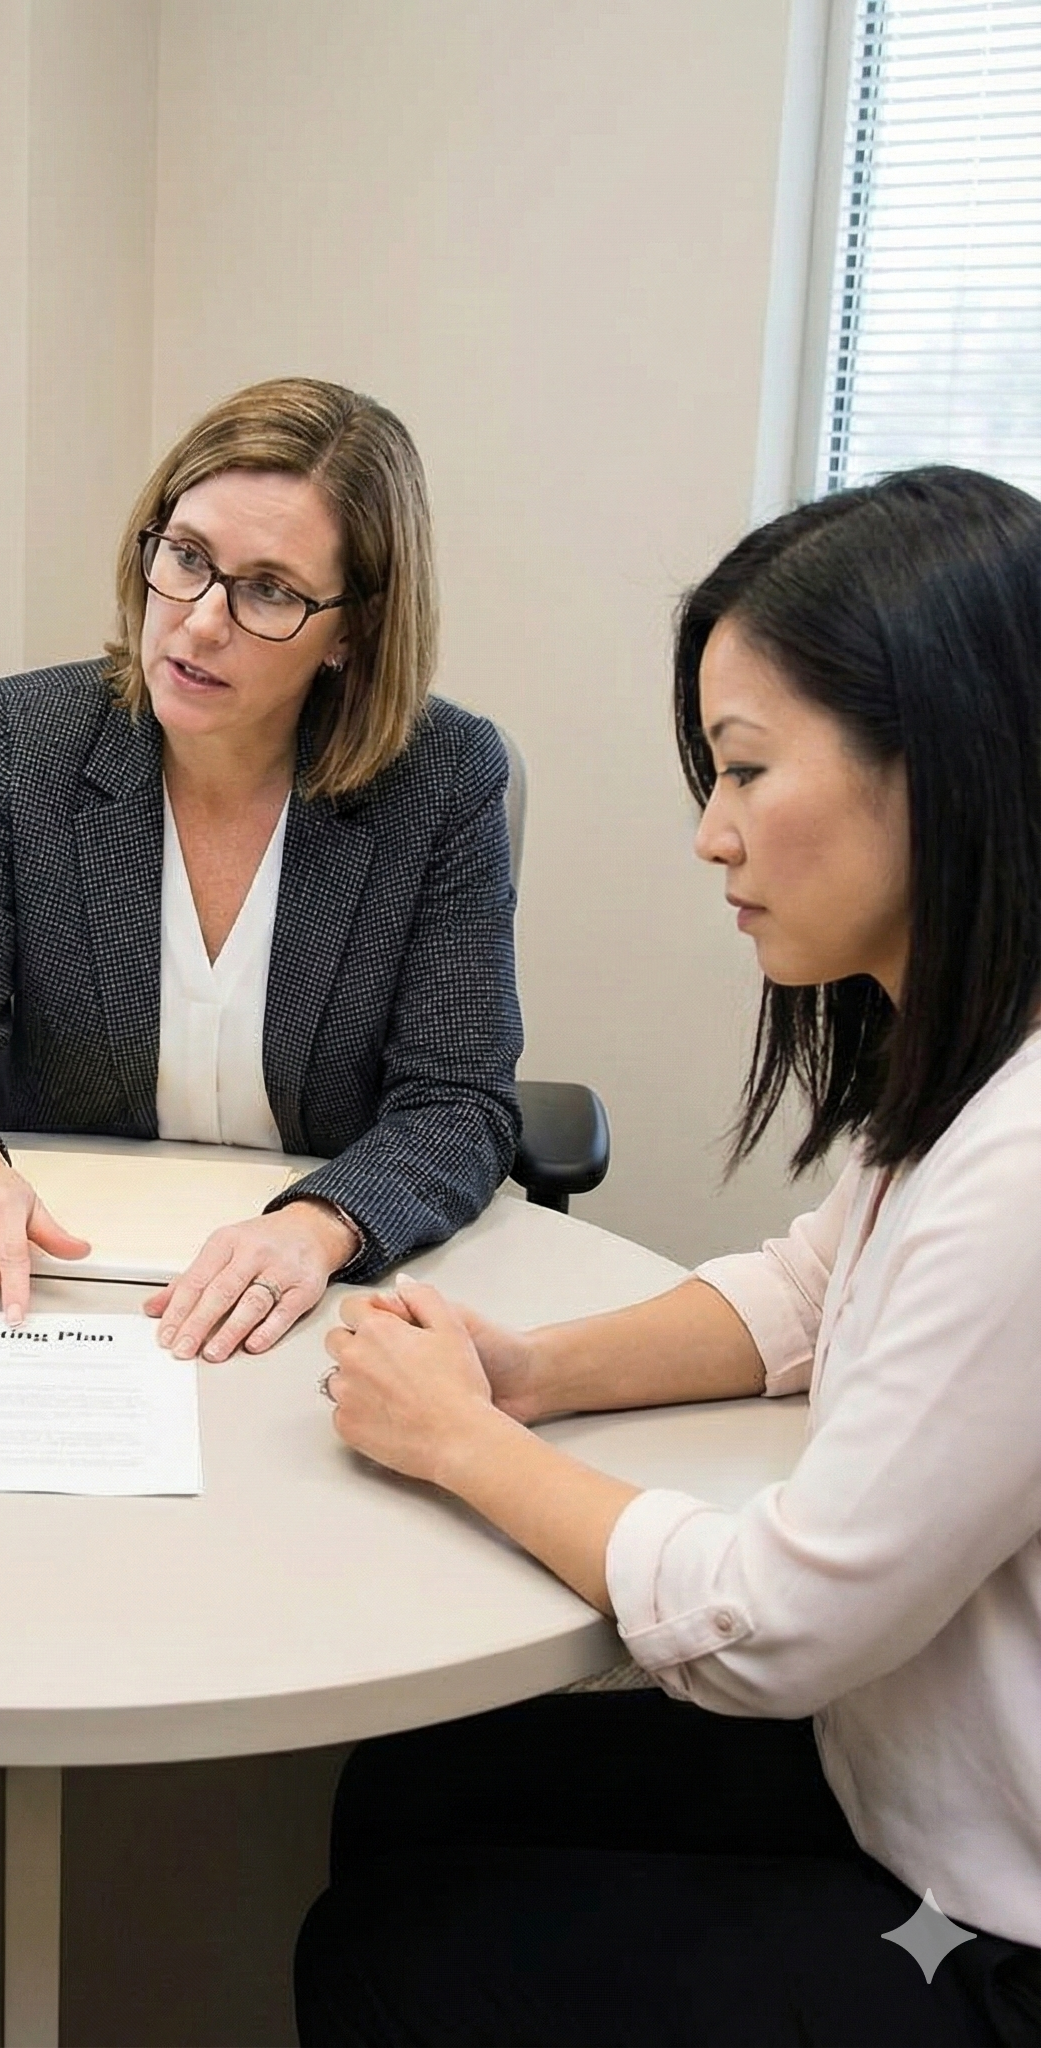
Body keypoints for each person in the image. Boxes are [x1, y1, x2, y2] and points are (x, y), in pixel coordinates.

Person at [299, 466, 1041, 2047]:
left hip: (992, 1927)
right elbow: (816, 1285)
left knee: (395, 1959)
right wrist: (533, 1372)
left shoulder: (1029, 1163)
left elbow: (771, 1624)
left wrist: (465, 1440)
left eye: (747, 770)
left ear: (951, 763)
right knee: (415, 1791)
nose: (712, 836)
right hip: (899, 1773)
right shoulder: (975, 1064)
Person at [0, 377, 522, 1361]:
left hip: (314, 1305)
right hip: (58, 1288)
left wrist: (318, 1227)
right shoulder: (23, 740)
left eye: (269, 590)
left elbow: (457, 1102)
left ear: (352, 630)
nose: (202, 622)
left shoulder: (440, 777)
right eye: (188, 558)